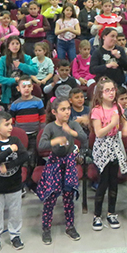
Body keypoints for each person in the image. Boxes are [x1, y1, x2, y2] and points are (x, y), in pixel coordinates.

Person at [37, 97, 86, 243]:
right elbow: (41, 145)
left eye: (68, 109)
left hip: (69, 163)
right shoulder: (50, 127)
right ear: (54, 112)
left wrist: (71, 131)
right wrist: (55, 141)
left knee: (68, 195)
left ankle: (70, 226)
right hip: (55, 163)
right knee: (50, 197)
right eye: (63, 109)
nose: (67, 112)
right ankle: (46, 228)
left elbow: (84, 138)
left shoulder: (72, 124)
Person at [90, 78, 127, 231]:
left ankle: (111, 212)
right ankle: (97, 215)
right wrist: (113, 124)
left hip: (115, 145)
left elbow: (124, 120)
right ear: (100, 93)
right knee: (103, 183)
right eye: (106, 90)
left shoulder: (117, 107)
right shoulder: (97, 110)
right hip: (103, 147)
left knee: (114, 182)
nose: (110, 93)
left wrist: (125, 125)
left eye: (112, 90)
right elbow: (99, 133)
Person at [0, 111, 29, 253]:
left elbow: (24, 156)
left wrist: (9, 166)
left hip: (14, 183)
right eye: (7, 125)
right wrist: (9, 151)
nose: (11, 127)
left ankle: (15, 236)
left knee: (15, 211)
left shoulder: (16, 140)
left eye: (11, 124)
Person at [0, 36, 38, 107]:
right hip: (9, 90)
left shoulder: (26, 58)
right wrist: (13, 80)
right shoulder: (3, 60)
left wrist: (21, 65)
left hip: (25, 88)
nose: (15, 46)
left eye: (17, 43)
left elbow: (35, 71)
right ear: (8, 46)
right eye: (12, 44)